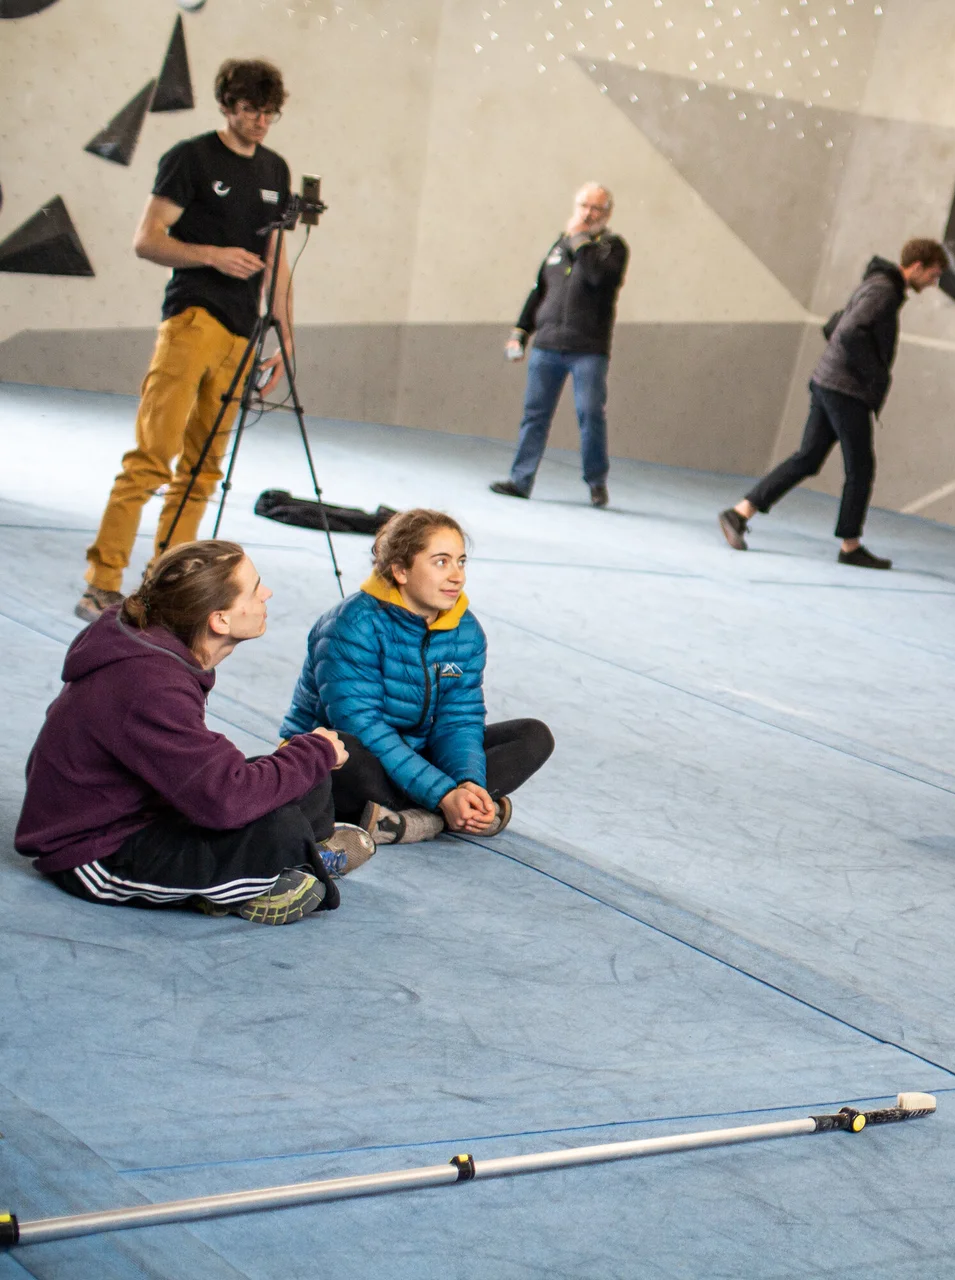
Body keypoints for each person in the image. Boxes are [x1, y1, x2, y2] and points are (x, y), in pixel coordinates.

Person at [19, 541, 370, 925]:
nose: (267, 593)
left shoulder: (155, 647)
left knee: (309, 774)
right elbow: (224, 800)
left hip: (148, 808)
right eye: (255, 588)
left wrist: (311, 756)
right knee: (280, 820)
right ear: (219, 620)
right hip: (94, 851)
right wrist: (313, 753)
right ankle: (263, 875)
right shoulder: (151, 684)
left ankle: (297, 855)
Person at [77, 60, 295, 622]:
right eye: (250, 110)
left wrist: (287, 339)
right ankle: (102, 581)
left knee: (203, 470)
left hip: (243, 335)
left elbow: (277, 261)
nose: (260, 122)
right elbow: (146, 240)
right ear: (228, 106)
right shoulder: (191, 157)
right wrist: (212, 255)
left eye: (269, 113)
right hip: (192, 321)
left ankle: (166, 587)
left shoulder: (275, 168)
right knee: (152, 457)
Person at [281, 510, 555, 845]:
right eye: (441, 562)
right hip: (353, 757)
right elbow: (362, 726)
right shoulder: (351, 624)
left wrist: (467, 782)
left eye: (461, 562)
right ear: (400, 570)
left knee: (533, 736)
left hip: (417, 754)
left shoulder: (465, 631)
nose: (457, 576)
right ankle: (447, 815)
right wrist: (442, 793)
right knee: (342, 749)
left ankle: (411, 819)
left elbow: (458, 720)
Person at [719, 239, 948, 568]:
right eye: (933, 275)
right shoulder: (884, 291)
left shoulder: (878, 284)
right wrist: (873, 376)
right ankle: (850, 546)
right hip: (845, 389)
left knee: (808, 458)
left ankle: (739, 513)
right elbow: (849, 332)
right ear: (916, 267)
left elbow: (837, 326)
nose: (933, 283)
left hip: (829, 380)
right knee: (860, 467)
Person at [490, 185, 630, 508]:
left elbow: (597, 278)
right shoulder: (558, 246)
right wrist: (521, 331)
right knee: (534, 415)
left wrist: (580, 240)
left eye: (596, 208)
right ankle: (520, 480)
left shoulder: (612, 248)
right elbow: (540, 291)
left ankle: (596, 482)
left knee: (590, 414)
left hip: (588, 350)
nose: (587, 213)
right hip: (548, 346)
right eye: (583, 205)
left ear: (607, 213)